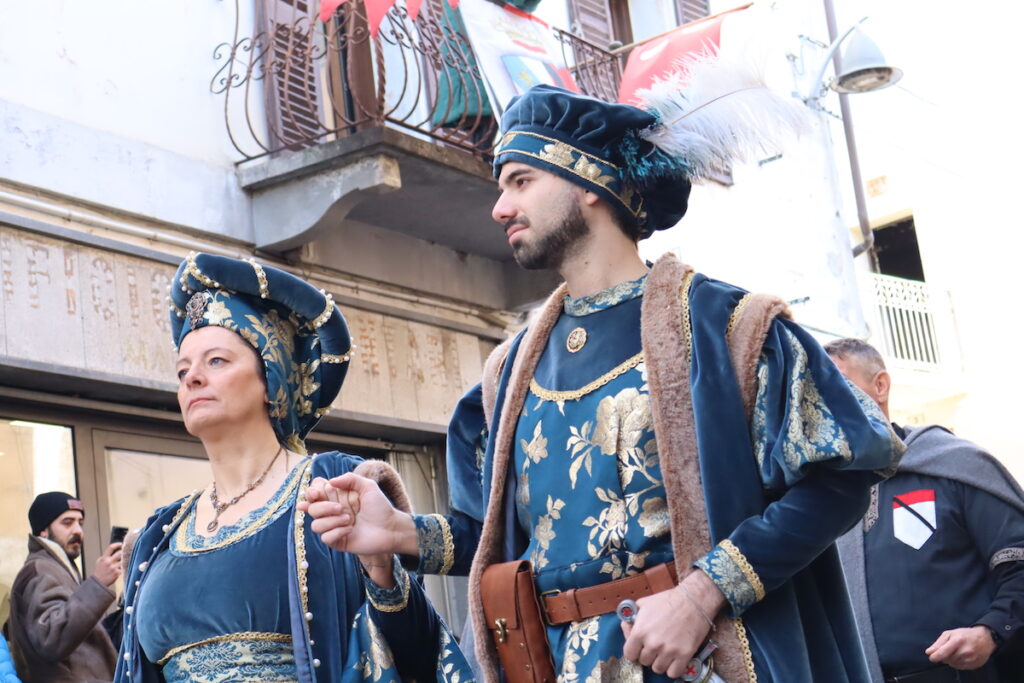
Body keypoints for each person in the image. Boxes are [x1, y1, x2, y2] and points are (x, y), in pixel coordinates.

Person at [303, 78, 906, 681]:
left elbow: (842, 476)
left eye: (521, 181)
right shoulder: (507, 372)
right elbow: (494, 537)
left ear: (588, 181)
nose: (500, 208)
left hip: (693, 662)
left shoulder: (730, 329)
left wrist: (701, 596)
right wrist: (402, 532)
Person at [113, 252, 471, 682]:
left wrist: (382, 572)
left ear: (271, 379)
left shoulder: (331, 486)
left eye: (216, 361)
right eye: (182, 369)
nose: (191, 378)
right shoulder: (161, 532)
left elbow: (417, 655)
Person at [828, 338, 1024, 683]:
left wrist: (990, 632)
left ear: (880, 386)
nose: (825, 400)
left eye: (837, 382)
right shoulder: (821, 497)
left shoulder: (956, 465)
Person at [5, 492, 122, 682]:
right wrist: (98, 584)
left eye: (80, 523)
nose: (77, 530)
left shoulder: (57, 568)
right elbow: (52, 638)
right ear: (43, 530)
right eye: (67, 523)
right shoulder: (40, 569)